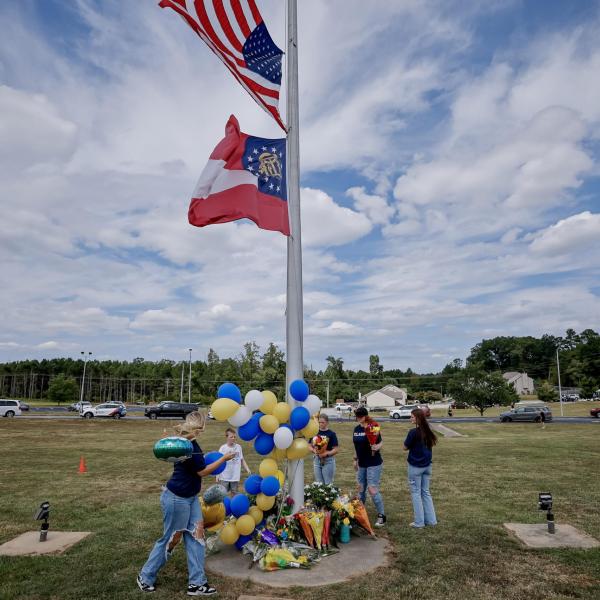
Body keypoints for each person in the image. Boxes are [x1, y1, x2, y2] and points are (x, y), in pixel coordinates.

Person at [137, 411, 235, 596]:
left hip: (190, 498)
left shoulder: (186, 442)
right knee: (171, 539)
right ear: (201, 427)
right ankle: (145, 576)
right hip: (177, 498)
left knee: (196, 538)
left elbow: (196, 465)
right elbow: (202, 472)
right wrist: (223, 459)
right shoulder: (188, 445)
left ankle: (197, 583)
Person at [403, 408, 438, 528]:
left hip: (416, 467)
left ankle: (419, 522)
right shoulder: (428, 431)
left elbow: (405, 447)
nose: (410, 418)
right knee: (426, 492)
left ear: (417, 418)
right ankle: (431, 520)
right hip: (427, 466)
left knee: (416, 493)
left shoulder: (413, 432)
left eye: (412, 417)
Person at [352, 406, 386, 527]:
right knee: (360, 489)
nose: (358, 418)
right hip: (362, 463)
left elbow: (380, 442)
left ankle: (382, 515)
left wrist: (377, 447)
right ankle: (360, 514)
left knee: (372, 489)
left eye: (360, 416)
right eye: (356, 416)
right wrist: (355, 459)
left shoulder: (373, 427)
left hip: (373, 463)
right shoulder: (356, 429)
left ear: (365, 416)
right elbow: (356, 446)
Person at [217, 428, 251, 494]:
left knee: (235, 493)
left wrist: (247, 469)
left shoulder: (238, 447)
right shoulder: (223, 448)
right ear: (227, 437)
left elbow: (242, 459)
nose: (233, 438)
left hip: (235, 476)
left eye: (234, 437)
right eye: (231, 437)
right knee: (223, 494)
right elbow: (219, 462)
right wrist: (217, 475)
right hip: (224, 476)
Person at [308, 414, 339, 484]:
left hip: (328, 461)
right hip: (316, 460)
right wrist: (314, 451)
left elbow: (336, 449)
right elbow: (309, 446)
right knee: (319, 483)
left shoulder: (331, 434)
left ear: (327, 423)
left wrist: (326, 454)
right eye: (319, 422)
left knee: (328, 483)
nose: (320, 424)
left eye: (323, 422)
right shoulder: (314, 432)